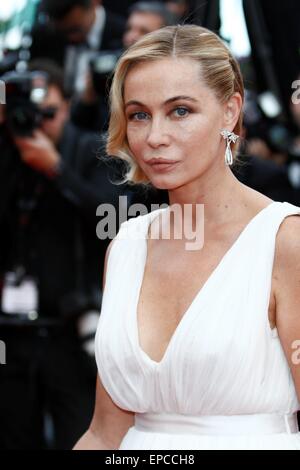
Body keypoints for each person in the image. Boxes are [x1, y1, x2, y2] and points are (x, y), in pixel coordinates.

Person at [74, 25, 300, 450]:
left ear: (230, 111)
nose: (155, 136)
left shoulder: (285, 242)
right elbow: (105, 435)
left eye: (180, 111)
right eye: (140, 114)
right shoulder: (126, 245)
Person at [0, 59, 127, 449]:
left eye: (48, 113)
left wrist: (56, 170)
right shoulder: (5, 151)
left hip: (71, 328)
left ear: (68, 107)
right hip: (9, 333)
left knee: (78, 433)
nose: (37, 123)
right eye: (25, 113)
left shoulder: (93, 151)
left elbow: (114, 221)